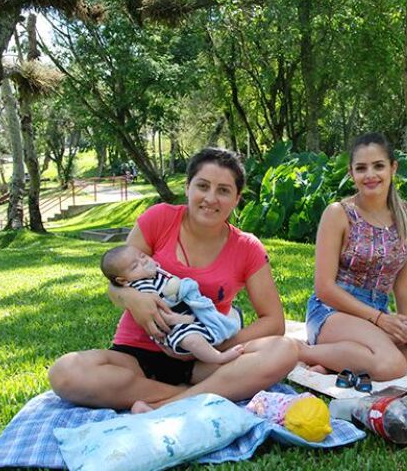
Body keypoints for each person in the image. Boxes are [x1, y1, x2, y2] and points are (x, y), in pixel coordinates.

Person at [48, 148, 299, 412]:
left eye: (224, 190)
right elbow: (115, 283)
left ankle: (165, 404)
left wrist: (216, 346)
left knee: (284, 350)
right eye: (203, 186)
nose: (210, 198)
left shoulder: (248, 247)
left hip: (203, 361)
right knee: (65, 372)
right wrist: (133, 298)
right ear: (188, 187)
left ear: (236, 199)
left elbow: (273, 322)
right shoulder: (159, 219)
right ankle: (187, 395)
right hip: (136, 354)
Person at [299, 132, 407, 381]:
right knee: (392, 366)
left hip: (380, 315)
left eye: (378, 166)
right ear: (351, 172)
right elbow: (324, 288)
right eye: (361, 168)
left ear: (393, 168)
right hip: (333, 313)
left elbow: (404, 282)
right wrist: (379, 320)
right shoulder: (338, 214)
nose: (370, 175)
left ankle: (344, 358)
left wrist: (406, 327)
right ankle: (304, 351)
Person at [99, 245, 244, 364]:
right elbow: (154, 310)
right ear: (123, 280)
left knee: (212, 329)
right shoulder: (142, 286)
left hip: (186, 320)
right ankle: (218, 358)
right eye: (135, 266)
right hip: (172, 329)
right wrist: (176, 320)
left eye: (142, 256)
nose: (143, 262)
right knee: (193, 341)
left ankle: (228, 328)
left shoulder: (155, 273)